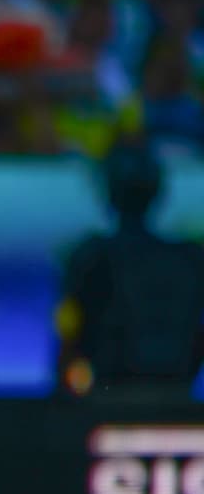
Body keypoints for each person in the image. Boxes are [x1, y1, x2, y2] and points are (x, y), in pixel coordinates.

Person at [56, 136, 204, 397]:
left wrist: (62, 402)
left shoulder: (90, 257)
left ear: (108, 192)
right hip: (174, 396)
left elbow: (69, 338)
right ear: (157, 193)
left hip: (112, 400)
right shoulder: (191, 259)